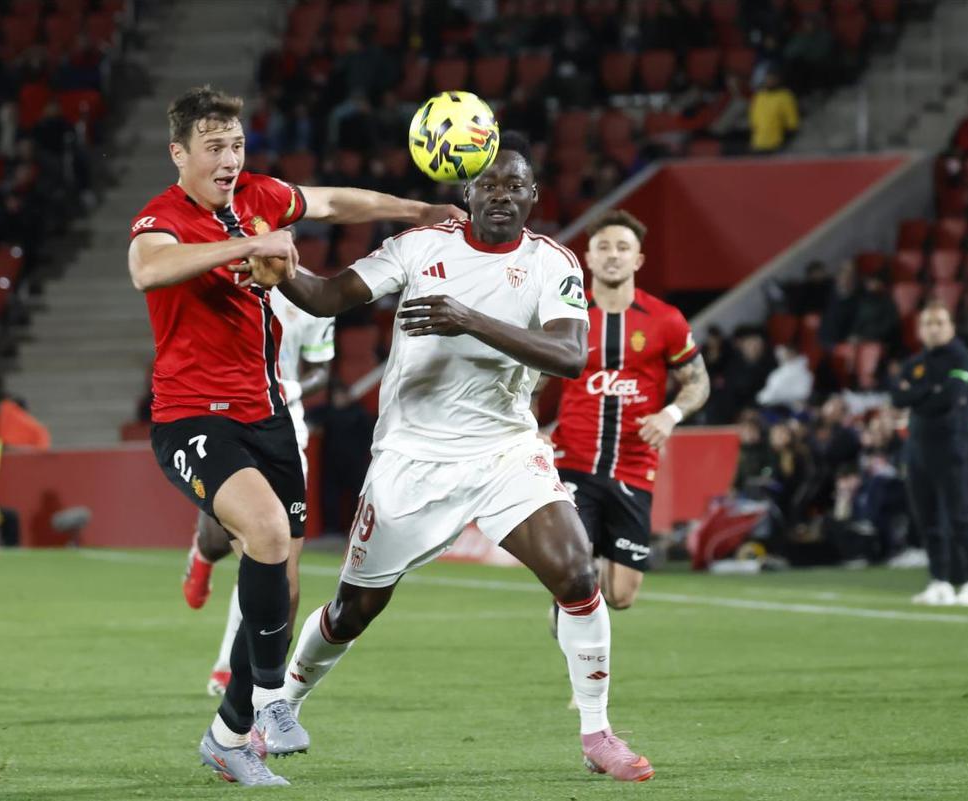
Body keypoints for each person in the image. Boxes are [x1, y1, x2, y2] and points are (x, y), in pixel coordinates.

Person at [266, 134, 655, 782]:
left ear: (532, 196)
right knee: (352, 610)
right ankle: (284, 699)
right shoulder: (421, 248)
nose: (501, 195)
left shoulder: (552, 263)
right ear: (465, 192)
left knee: (578, 574)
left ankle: (597, 732)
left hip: (503, 450)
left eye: (514, 186)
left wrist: (466, 317)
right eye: (489, 185)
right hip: (411, 458)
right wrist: (283, 273)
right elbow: (332, 296)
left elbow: (569, 356)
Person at [127, 85, 459, 787]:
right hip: (193, 415)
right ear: (179, 154)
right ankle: (272, 701)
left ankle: (228, 731)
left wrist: (418, 210)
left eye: (237, 145)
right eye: (213, 147)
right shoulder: (163, 217)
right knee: (269, 536)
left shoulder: (261, 194)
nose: (228, 158)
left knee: (282, 564)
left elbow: (337, 201)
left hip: (271, 414)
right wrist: (249, 243)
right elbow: (147, 269)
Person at [182, 279, 336, 696]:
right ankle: (203, 551)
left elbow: (321, 366)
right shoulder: (225, 286)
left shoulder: (314, 296)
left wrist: (289, 388)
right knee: (223, 538)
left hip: (287, 429)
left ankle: (227, 668)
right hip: (227, 423)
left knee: (266, 556)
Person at [550, 209, 710, 610]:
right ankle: (572, 608)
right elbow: (529, 381)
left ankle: (582, 591)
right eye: (603, 247)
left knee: (621, 596)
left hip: (635, 465)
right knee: (574, 566)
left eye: (623, 248)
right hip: (574, 459)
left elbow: (698, 381)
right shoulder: (567, 317)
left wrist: (670, 415)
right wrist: (528, 428)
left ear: (638, 260)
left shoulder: (666, 320)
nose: (612, 255)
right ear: (587, 258)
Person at [890, 302, 968, 606]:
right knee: (927, 518)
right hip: (917, 448)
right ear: (920, 330)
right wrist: (928, 393)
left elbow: (950, 398)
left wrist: (918, 395)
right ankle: (940, 580)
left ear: (951, 327)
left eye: (939, 322)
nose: (933, 328)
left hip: (951, 447)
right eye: (928, 323)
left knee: (960, 515)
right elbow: (897, 395)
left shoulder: (963, 359)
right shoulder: (916, 362)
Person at [748, 70, 799, 154]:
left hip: (776, 144)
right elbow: (754, 119)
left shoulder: (785, 96)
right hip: (758, 143)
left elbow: (792, 122)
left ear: (778, 80)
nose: (769, 81)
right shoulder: (760, 96)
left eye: (772, 79)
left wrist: (786, 142)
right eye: (768, 79)